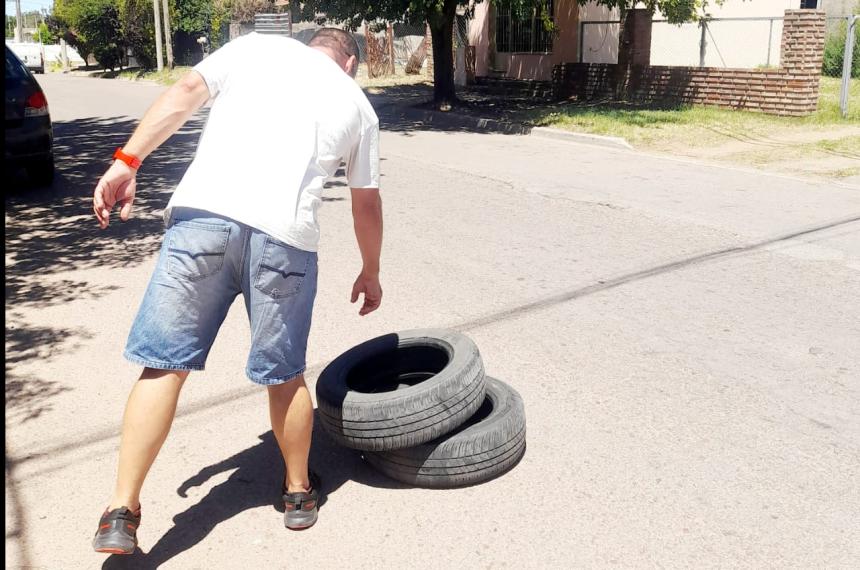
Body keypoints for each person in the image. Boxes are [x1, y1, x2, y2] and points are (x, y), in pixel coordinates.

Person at [90, 28, 382, 554]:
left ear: (307, 45)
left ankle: (120, 509)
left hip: (202, 219)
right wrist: (370, 270)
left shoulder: (254, 46)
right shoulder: (358, 104)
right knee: (285, 374)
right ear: (351, 64)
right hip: (284, 240)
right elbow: (365, 202)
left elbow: (182, 95)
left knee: (163, 366)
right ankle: (297, 492)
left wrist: (126, 161)